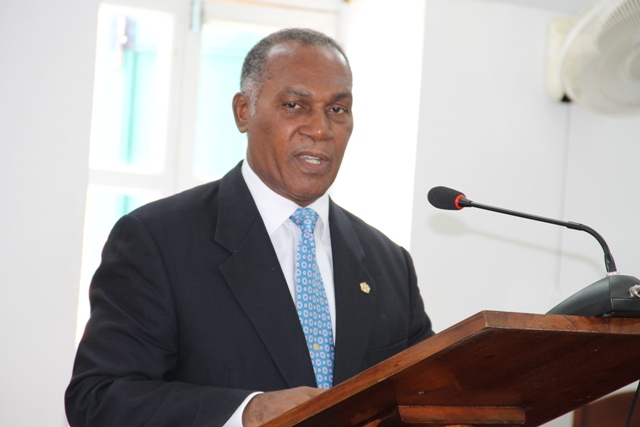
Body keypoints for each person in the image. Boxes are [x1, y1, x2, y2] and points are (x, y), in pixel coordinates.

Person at [65, 28, 434, 427]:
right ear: (244, 111)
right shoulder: (156, 240)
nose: (321, 129)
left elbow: (429, 399)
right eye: (295, 105)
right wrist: (246, 413)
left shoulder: (389, 263)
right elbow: (99, 399)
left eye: (337, 110)